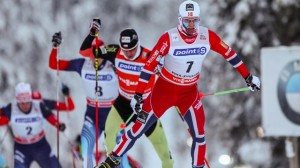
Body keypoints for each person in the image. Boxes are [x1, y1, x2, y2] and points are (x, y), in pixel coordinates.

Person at [96, 0, 261, 168]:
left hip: (188, 94)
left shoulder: (207, 36)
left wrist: (247, 77)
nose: (191, 26)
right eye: (186, 21)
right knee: (138, 129)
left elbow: (230, 55)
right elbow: (149, 66)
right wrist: (138, 94)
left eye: (194, 21)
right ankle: (113, 160)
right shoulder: (169, 38)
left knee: (199, 135)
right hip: (163, 91)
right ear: (179, 20)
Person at [80, 20, 173, 168]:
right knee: (109, 133)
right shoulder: (115, 51)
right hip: (123, 102)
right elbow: (84, 52)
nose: (128, 53)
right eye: (125, 50)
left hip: (145, 107)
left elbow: (171, 78)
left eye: (132, 49)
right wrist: (92, 33)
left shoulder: (150, 56)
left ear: (138, 44)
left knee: (164, 152)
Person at [49, 30, 119, 168]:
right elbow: (54, 64)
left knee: (119, 156)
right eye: (93, 54)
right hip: (92, 117)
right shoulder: (82, 65)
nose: (95, 58)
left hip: (114, 116)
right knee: (86, 151)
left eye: (99, 54)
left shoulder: (114, 65)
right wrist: (55, 48)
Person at [0, 82, 66, 168]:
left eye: (28, 102)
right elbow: (2, 118)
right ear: (18, 101)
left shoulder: (38, 105)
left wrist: (58, 124)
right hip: (21, 148)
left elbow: (50, 116)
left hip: (40, 145)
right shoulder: (12, 108)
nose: (25, 105)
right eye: (22, 103)